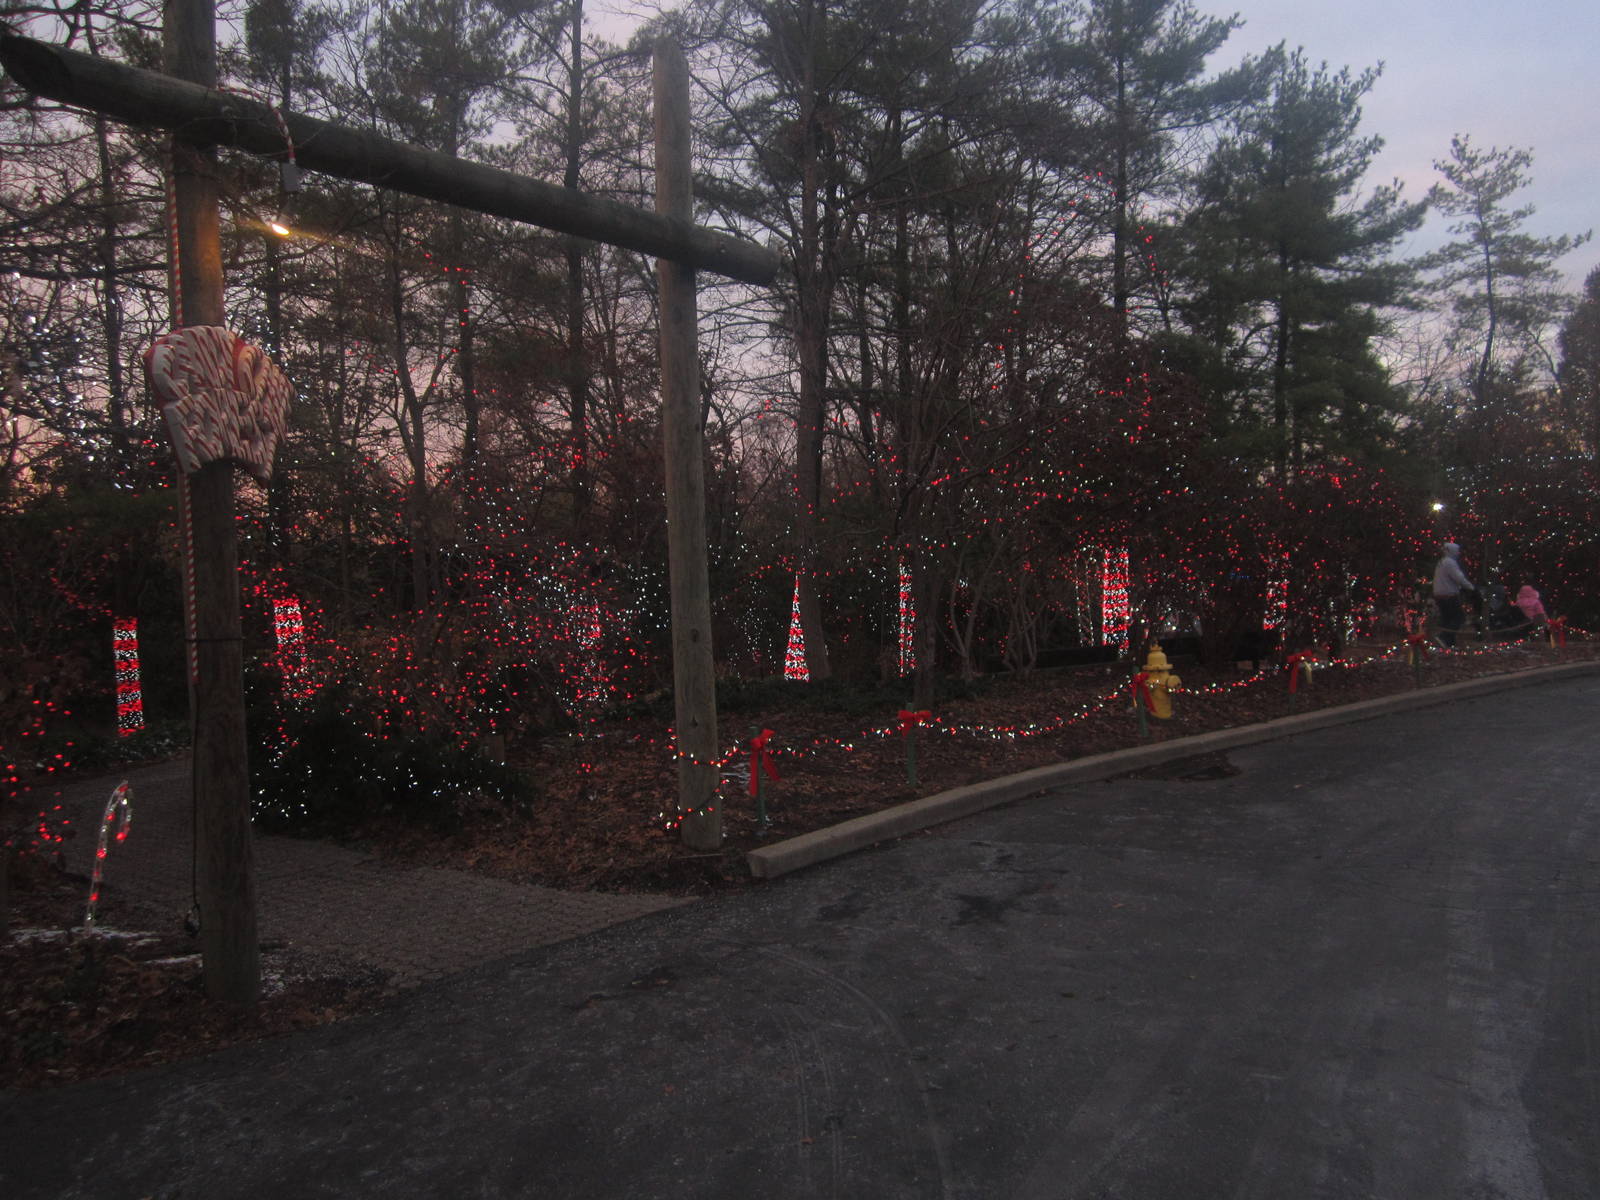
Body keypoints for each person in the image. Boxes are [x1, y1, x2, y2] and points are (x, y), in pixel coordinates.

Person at [1432, 542, 1475, 648]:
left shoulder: (1441, 562)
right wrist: (1471, 587)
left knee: (1447, 618)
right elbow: (1458, 577)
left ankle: (1448, 642)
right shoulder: (1450, 563)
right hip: (1449, 594)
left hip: (1440, 594)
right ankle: (1444, 637)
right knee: (1459, 618)